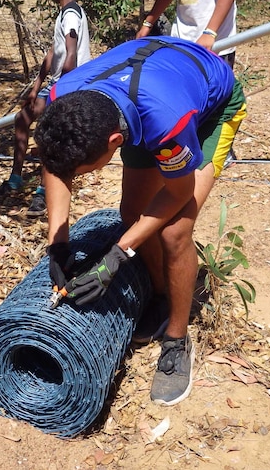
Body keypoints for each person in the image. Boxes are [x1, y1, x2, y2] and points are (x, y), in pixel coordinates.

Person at [34, 36, 247, 406]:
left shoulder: (167, 123)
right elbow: (56, 167)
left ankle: (177, 341)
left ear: (116, 141)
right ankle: (162, 296)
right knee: (132, 213)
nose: (75, 176)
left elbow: (177, 193)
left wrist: (117, 255)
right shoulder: (63, 97)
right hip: (137, 97)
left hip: (208, 106)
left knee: (175, 230)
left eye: (83, 172)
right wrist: (59, 243)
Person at [0, 0, 91, 217]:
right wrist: (36, 88)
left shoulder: (72, 13)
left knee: (48, 132)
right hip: (58, 83)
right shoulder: (64, 13)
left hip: (71, 85)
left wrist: (62, 92)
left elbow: (70, 55)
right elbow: (53, 53)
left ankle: (42, 192)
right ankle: (15, 179)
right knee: (23, 119)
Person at [136, 0, 238, 68]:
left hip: (215, 44)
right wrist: (148, 24)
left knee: (214, 89)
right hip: (182, 41)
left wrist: (210, 32)